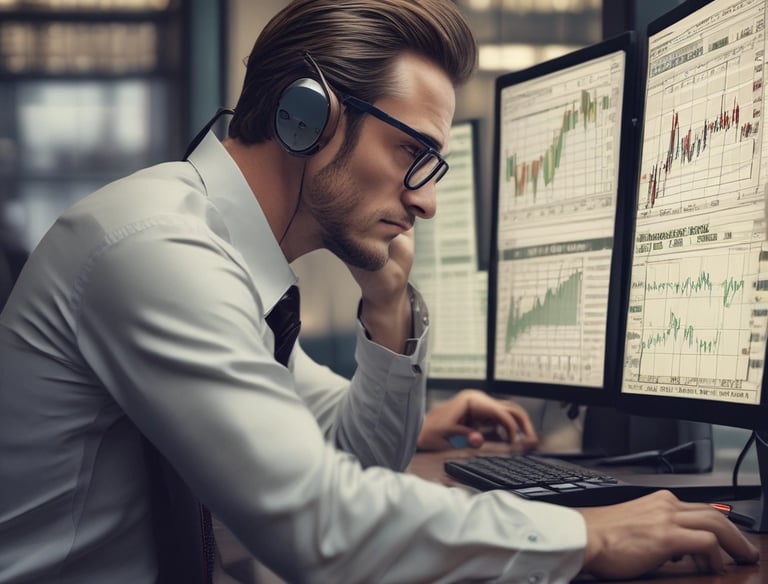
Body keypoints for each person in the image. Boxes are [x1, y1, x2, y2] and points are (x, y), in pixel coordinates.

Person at [0, 1, 758, 583]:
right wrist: (590, 537)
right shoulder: (155, 247)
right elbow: (318, 522)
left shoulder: (222, 263)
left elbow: (356, 455)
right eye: (413, 153)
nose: (425, 201)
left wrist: (388, 307)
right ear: (309, 117)